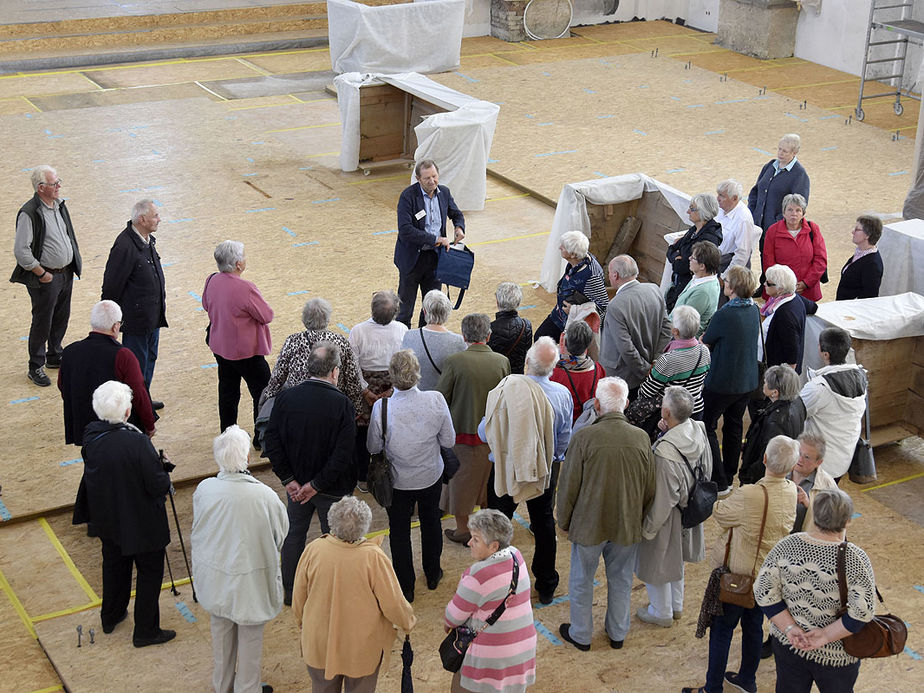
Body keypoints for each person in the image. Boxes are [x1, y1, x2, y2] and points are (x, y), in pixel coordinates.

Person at [682, 435, 799, 693]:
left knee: (722, 631)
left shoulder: (749, 494)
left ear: (765, 459)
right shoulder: (792, 491)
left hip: (739, 576)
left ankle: (712, 688)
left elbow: (721, 514)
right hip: (767, 578)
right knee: (754, 628)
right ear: (792, 467)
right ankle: (748, 680)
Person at [72, 380, 175, 647]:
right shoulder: (137, 443)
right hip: (142, 521)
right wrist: (163, 471)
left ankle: (112, 614)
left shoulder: (91, 436)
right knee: (150, 572)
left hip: (109, 517)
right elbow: (156, 484)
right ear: (127, 412)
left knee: (114, 565)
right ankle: (146, 630)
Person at [556, 377, 656, 651]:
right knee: (622, 580)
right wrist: (640, 517)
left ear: (597, 404)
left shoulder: (584, 437)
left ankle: (581, 634)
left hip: (588, 525)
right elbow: (650, 487)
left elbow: (569, 486)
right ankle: (617, 633)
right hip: (627, 525)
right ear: (626, 403)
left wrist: (562, 521)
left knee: (581, 580)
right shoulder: (641, 438)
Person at [191, 425, 288, 693]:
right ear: (247, 458)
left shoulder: (205, 489)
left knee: (221, 634)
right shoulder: (265, 497)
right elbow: (280, 534)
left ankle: (222, 687)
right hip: (251, 582)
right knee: (250, 640)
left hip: (216, 578)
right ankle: (248, 689)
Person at [262, 342, 356, 604]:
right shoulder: (342, 404)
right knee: (333, 541)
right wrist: (316, 484)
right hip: (331, 489)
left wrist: (289, 480)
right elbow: (343, 454)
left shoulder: (286, 398)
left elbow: (272, 442)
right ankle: (331, 592)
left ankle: (291, 593)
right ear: (335, 372)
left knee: (293, 536)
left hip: (296, 488)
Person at [481, 337, 573, 604]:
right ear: (553, 368)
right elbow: (563, 437)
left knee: (497, 523)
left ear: (526, 363)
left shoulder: (506, 389)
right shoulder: (561, 394)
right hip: (542, 468)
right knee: (544, 524)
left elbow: (486, 431)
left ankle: (494, 580)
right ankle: (546, 584)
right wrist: (554, 457)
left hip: (506, 468)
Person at [755, 489, 875, 692]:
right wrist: (825, 636)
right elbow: (861, 614)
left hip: (790, 645)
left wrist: (791, 629)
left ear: (815, 515)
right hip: (836, 656)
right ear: (847, 521)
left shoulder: (787, 545)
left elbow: (763, 591)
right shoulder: (855, 558)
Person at [293, 495, 416, 693]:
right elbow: (393, 603)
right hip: (361, 648)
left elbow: (299, 596)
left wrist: (302, 621)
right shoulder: (373, 556)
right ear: (365, 526)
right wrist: (407, 622)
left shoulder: (314, 549)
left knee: (322, 687)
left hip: (319, 643)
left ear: (331, 521)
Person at [366, 349, 455, 603]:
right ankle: (433, 573)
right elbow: (448, 440)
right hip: (430, 476)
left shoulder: (382, 408)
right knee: (431, 523)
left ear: (392, 378)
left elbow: (373, 447)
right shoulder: (436, 400)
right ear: (417, 374)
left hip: (398, 482)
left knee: (399, 531)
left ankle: (406, 586)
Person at [636, 387, 712, 626]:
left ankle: (661, 612)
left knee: (658, 563)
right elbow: (707, 469)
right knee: (677, 561)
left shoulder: (665, 453)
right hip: (690, 508)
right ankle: (676, 606)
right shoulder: (698, 430)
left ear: (666, 412)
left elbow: (662, 499)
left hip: (669, 516)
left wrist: (647, 529)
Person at [444, 509, 536, 693]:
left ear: (494, 546)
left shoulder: (478, 575)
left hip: (491, 658)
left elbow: (452, 618)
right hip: (522, 649)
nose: (469, 543)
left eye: (476, 539)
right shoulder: (516, 555)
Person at [437, 313, 510, 543]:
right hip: (492, 435)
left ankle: (462, 530)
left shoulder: (455, 362)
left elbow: (441, 397)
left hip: (462, 435)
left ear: (463, 335)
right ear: (488, 335)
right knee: (488, 482)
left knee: (461, 485)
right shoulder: (501, 361)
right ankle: (486, 528)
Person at [12, 165, 82, 387]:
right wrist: (41, 273)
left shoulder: (59, 206)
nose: (59, 186)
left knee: (61, 316)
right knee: (43, 321)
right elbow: (21, 250)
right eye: (54, 183)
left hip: (65, 274)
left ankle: (54, 355)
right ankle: (36, 366)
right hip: (46, 277)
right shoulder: (29, 212)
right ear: (41, 188)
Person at [58, 300, 155, 445]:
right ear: (115, 326)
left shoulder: (70, 351)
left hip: (86, 429)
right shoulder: (124, 355)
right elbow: (139, 393)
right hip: (118, 430)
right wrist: (149, 424)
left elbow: (62, 386)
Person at [202, 240, 274, 434]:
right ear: (238, 264)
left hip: (220, 347)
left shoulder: (211, 280)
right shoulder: (246, 288)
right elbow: (267, 315)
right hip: (246, 351)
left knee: (228, 392)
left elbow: (206, 305)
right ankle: (262, 436)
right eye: (243, 256)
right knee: (262, 392)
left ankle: (227, 432)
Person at [101, 199, 167, 407]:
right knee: (136, 363)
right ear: (142, 219)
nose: (159, 219)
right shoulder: (125, 246)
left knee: (150, 358)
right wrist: (110, 318)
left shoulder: (147, 240)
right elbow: (111, 285)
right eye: (155, 215)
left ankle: (142, 398)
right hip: (136, 319)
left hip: (152, 316)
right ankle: (133, 403)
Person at [701, 265, 760, 493]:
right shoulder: (753, 310)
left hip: (722, 382)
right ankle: (729, 474)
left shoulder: (725, 314)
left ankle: (719, 479)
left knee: (707, 426)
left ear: (732, 287)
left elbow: (707, 339)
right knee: (734, 427)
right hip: (746, 381)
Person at [259, 297, 364, 415]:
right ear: (327, 319)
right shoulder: (341, 341)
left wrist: (268, 396)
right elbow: (352, 378)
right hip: (334, 403)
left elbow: (278, 376)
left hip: (299, 404)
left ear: (305, 319)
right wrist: (357, 408)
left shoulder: (292, 341)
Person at [395, 159, 465, 327]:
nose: (432, 181)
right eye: (427, 178)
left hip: (435, 260)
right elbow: (405, 229)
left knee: (431, 309)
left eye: (434, 176)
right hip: (412, 260)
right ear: (418, 178)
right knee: (405, 310)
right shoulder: (408, 196)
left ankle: (423, 338)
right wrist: (435, 239)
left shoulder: (444, 193)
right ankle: (403, 344)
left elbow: (456, 214)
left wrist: (459, 228)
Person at [349, 290, 407, 491]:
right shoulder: (402, 329)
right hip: (392, 387)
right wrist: (391, 390)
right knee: (392, 429)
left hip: (366, 387)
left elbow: (352, 365)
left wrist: (365, 391)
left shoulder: (358, 331)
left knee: (363, 432)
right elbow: (403, 364)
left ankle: (363, 477)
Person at [800, 327, 868, 481]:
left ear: (825, 354)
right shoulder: (861, 378)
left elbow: (797, 413)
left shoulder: (819, 388)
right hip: (842, 459)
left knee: (809, 501)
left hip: (817, 463)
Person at [598, 255, 671, 396]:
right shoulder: (654, 289)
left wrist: (645, 370)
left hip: (622, 377)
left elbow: (626, 348)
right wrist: (655, 361)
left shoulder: (615, 305)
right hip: (649, 367)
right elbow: (667, 328)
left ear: (615, 275)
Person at [636, 305, 711, 420]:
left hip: (673, 415)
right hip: (696, 410)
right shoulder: (704, 351)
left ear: (675, 331)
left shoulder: (667, 359)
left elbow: (646, 391)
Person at [534, 230, 609, 344]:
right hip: (559, 315)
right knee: (540, 338)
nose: (560, 248)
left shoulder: (592, 277)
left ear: (573, 254)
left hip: (573, 322)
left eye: (563, 247)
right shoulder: (578, 259)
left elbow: (603, 305)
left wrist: (575, 311)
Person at [738, 365, 807, 485]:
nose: (763, 384)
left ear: (775, 392)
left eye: (765, 382)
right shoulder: (798, 402)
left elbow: (766, 459)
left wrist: (748, 476)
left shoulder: (774, 423)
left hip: (763, 480)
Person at [748, 134, 811, 254]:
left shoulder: (799, 174)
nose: (780, 153)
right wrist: (752, 211)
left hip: (778, 231)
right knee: (764, 255)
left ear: (794, 153)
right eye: (779, 149)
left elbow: (800, 206)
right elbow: (756, 191)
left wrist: (778, 222)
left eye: (785, 151)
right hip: (759, 226)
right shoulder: (770, 166)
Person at [761, 194, 827, 302]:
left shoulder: (813, 229)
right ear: (783, 213)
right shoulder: (772, 231)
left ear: (803, 214)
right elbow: (768, 261)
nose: (794, 214)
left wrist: (806, 283)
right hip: (780, 291)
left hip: (807, 291)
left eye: (798, 210)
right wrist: (783, 285)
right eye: (790, 210)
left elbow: (820, 260)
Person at [665, 194, 723, 310]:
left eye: (692, 209)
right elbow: (671, 248)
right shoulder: (695, 230)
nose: (688, 211)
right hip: (680, 283)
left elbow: (682, 267)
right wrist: (677, 256)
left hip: (689, 287)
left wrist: (676, 259)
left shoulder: (708, 237)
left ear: (703, 213)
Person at [400, 289, 466, 391]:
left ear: (425, 311)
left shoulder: (409, 336)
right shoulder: (459, 342)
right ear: (448, 312)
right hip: (445, 400)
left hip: (418, 397)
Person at [550, 320, 606, 424]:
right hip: (587, 424)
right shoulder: (599, 370)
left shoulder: (554, 374)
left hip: (563, 426)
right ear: (588, 345)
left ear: (565, 342)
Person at [760, 264, 808, 375]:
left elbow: (792, 351)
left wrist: (785, 381)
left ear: (780, 289)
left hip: (778, 373)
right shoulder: (794, 297)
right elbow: (813, 307)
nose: (764, 284)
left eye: (768, 283)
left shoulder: (785, 314)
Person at [715, 179, 760, 289]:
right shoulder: (721, 209)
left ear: (734, 198)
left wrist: (725, 277)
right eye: (718, 194)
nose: (718, 199)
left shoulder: (743, 219)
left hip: (728, 266)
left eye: (722, 196)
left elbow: (742, 254)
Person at [672, 240, 722, 336]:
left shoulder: (703, 292)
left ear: (702, 266)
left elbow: (684, 322)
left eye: (693, 258)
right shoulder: (699, 276)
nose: (689, 258)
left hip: (680, 336)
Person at [487, 281, 533, 374]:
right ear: (518, 303)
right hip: (517, 375)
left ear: (497, 301)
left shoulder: (489, 328)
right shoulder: (526, 325)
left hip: (498, 376)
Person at [836, 215, 884, 300]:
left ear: (867, 235)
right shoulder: (860, 253)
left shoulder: (872, 264)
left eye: (857, 230)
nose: (852, 232)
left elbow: (869, 296)